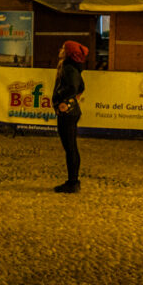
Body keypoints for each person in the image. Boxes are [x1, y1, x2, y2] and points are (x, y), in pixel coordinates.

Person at [51, 41, 90, 193]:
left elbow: (74, 87)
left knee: (70, 147)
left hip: (68, 113)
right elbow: (81, 87)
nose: (60, 50)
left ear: (68, 52)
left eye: (63, 48)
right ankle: (73, 181)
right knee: (70, 147)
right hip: (71, 111)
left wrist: (62, 98)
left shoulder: (68, 67)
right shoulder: (72, 67)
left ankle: (73, 182)